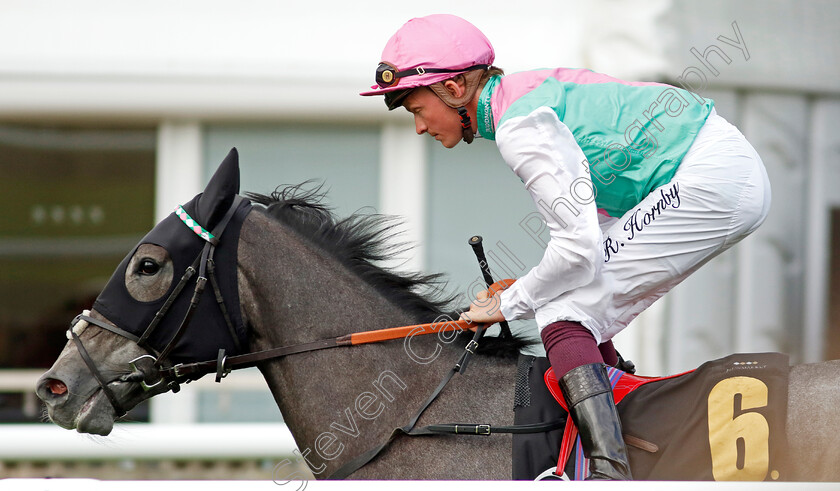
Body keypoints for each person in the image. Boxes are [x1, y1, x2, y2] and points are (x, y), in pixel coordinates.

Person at [360, 14, 770, 480]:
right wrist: (530, 286)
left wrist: (509, 304)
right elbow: (591, 231)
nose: (418, 127)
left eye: (416, 110)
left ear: (454, 88)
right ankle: (622, 437)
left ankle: (609, 472)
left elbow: (578, 252)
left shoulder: (520, 126)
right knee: (567, 301)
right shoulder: (522, 98)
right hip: (719, 169)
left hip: (712, 179)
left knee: (564, 313)